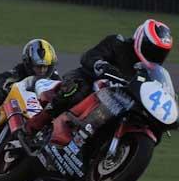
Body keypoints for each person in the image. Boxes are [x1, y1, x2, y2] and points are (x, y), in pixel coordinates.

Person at [26, 19, 173, 134]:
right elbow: (89, 56)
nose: (155, 55)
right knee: (76, 89)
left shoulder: (149, 73)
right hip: (89, 82)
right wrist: (101, 65)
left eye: (160, 53)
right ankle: (38, 122)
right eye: (152, 49)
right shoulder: (117, 43)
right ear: (141, 40)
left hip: (117, 103)